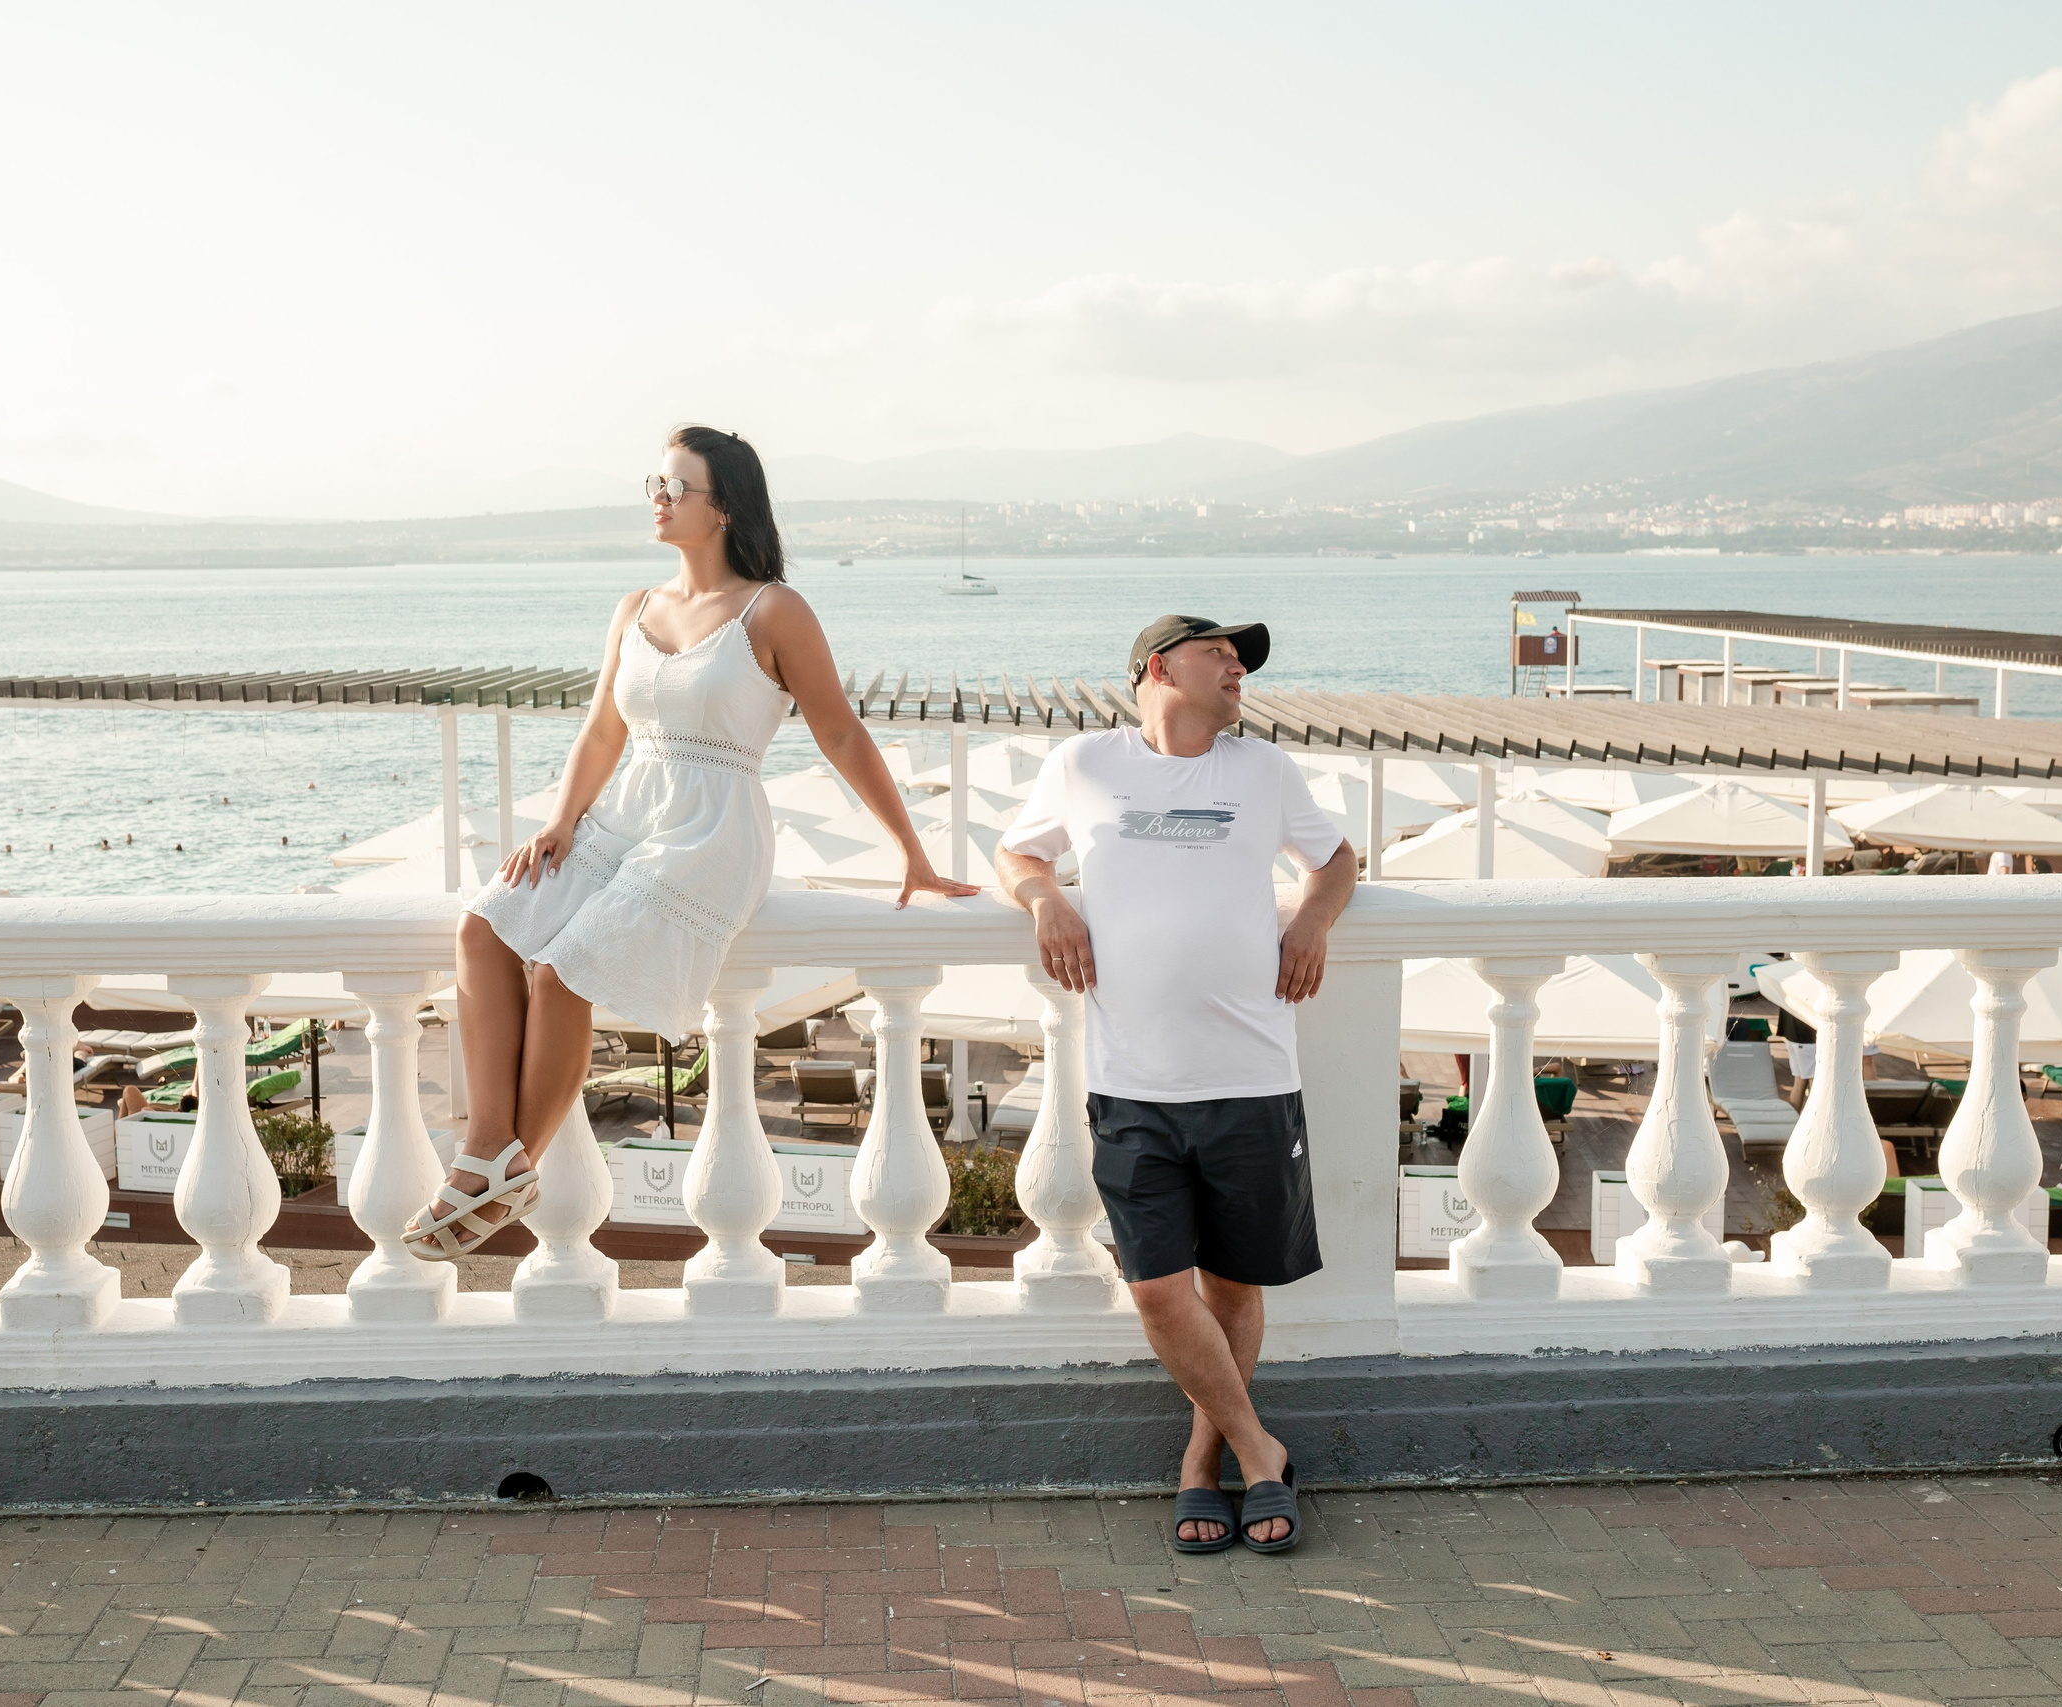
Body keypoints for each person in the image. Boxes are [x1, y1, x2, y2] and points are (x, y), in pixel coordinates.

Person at [407, 427, 977, 1258]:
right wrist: (564, 817)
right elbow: (603, 729)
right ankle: (490, 1151)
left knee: (563, 969)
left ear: (725, 508)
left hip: (713, 830)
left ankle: (496, 1173)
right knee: (484, 925)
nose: (659, 497)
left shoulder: (773, 610)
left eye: (679, 485)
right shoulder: (635, 607)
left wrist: (912, 855)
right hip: (628, 809)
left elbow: (843, 735)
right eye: (657, 482)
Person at [994, 615, 1355, 1554]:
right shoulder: (1083, 764)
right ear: (1157, 667)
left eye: (1242, 658)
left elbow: (1337, 860)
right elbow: (1016, 851)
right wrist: (1045, 898)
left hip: (1250, 1074)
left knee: (1233, 1287)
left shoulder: (1264, 772)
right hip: (1132, 1081)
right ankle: (1263, 1449)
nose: (1239, 666)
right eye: (1219, 651)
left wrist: (1312, 919)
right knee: (1159, 1292)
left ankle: (1206, 1467)